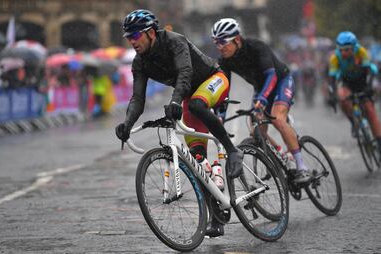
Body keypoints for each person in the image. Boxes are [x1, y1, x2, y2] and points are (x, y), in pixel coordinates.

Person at [115, 10, 244, 237]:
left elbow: (186, 71)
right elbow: (138, 98)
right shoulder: (140, 63)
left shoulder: (174, 41)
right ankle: (217, 216)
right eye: (128, 38)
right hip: (189, 94)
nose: (131, 41)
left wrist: (175, 101)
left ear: (151, 33)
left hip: (213, 79)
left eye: (135, 36)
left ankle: (233, 151)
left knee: (196, 104)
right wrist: (126, 124)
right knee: (196, 159)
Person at [211, 18, 312, 184]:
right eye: (216, 43)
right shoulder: (225, 61)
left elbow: (271, 75)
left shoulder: (256, 46)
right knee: (256, 132)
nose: (219, 47)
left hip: (280, 81)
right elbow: (224, 90)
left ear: (236, 39)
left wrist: (263, 98)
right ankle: (281, 154)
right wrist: (220, 114)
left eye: (223, 42)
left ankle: (302, 168)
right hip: (261, 89)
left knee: (278, 119)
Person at [328, 31, 381, 150]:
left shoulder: (361, 52)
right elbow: (332, 79)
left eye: (346, 49)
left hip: (363, 81)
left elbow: (369, 71)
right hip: (348, 82)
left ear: (354, 47)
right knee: (342, 97)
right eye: (340, 49)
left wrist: (369, 87)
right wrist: (332, 95)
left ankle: (379, 142)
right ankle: (353, 122)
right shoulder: (335, 58)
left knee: (370, 111)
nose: (343, 53)